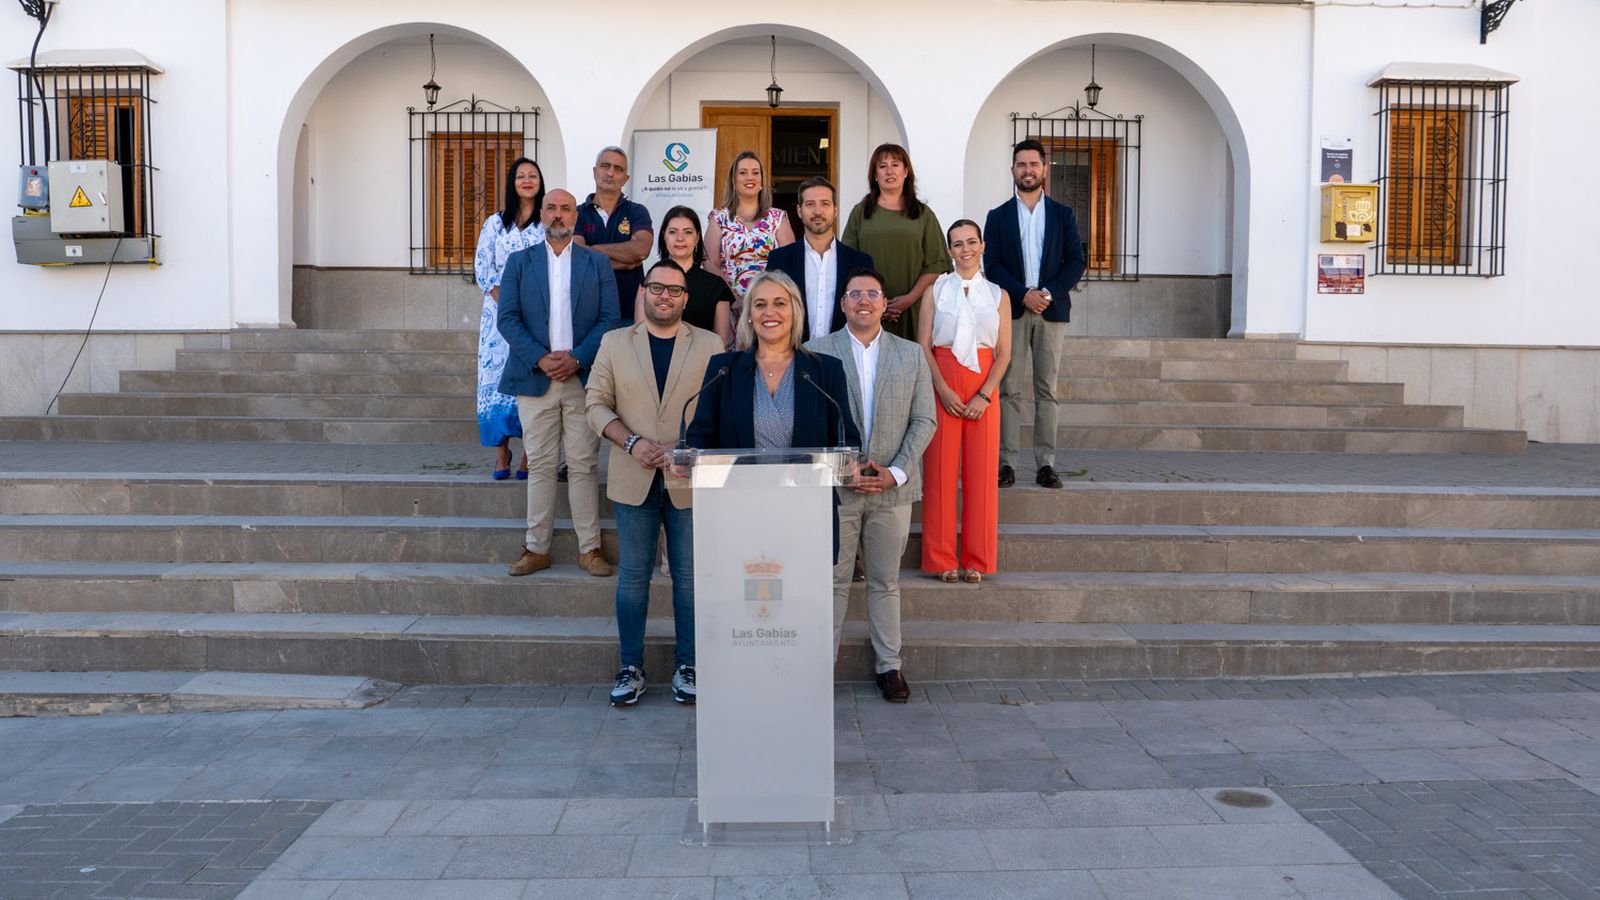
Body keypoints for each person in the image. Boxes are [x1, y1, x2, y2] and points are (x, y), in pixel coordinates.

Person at [588, 261, 721, 707]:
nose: (665, 296)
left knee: (689, 578)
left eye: (675, 290)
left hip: (688, 477)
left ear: (686, 298)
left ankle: (689, 665)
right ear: (643, 291)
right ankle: (631, 667)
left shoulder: (710, 344)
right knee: (632, 578)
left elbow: (717, 409)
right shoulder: (614, 342)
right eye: (657, 287)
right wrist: (631, 442)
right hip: (634, 475)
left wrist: (686, 447)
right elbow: (595, 404)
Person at [805, 268, 936, 703]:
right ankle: (819, 670)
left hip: (893, 490)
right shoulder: (816, 352)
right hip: (837, 489)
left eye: (873, 294)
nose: (864, 300)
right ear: (843, 303)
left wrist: (895, 471)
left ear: (885, 303)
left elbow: (924, 420)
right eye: (855, 293)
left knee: (885, 581)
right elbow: (810, 422)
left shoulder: (911, 354)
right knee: (833, 582)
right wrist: (842, 470)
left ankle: (889, 666)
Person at [687, 271, 860, 558]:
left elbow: (847, 438)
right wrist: (689, 457)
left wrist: (851, 462)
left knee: (801, 587)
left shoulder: (825, 371)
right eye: (760, 304)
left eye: (780, 303)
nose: (770, 312)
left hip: (807, 514)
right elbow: (699, 437)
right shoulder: (723, 369)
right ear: (749, 316)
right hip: (737, 513)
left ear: (795, 311)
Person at [498, 189, 620, 578]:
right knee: (540, 465)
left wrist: (577, 357)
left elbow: (610, 318)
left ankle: (590, 549)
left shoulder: (596, 264)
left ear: (575, 217)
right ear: (542, 214)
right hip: (535, 377)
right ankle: (536, 549)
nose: (558, 215)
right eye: (551, 208)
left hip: (582, 377)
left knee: (583, 464)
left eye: (566, 208)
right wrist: (539, 356)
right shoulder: (519, 263)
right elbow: (507, 318)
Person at [985, 139, 1088, 490]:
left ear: (1044, 168)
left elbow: (1076, 261)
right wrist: (1022, 294)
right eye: (1021, 164)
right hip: (1012, 310)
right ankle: (1006, 463)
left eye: (1033, 164)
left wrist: (1048, 293)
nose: (1027, 170)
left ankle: (1046, 463)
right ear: (1012, 170)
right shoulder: (998, 216)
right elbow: (992, 265)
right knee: (1009, 389)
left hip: (1051, 310)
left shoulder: (1063, 215)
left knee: (1047, 390)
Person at [917, 220, 1011, 584]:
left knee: (982, 475)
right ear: (949, 250)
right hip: (942, 380)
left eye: (972, 242)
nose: (965, 249)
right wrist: (941, 388)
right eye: (957, 244)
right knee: (939, 472)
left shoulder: (999, 295)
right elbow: (923, 345)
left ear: (982, 246)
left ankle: (978, 559)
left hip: (984, 385)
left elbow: (1004, 352)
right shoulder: (935, 291)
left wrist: (985, 394)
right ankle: (941, 559)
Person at [473, 157, 545, 480]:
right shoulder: (495, 223)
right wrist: (503, 300)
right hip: (498, 315)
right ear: (512, 183)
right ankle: (502, 453)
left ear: (540, 183)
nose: (527, 180)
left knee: (530, 378)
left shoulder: (545, 223)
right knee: (495, 377)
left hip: (536, 314)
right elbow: (482, 264)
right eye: (521, 176)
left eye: (533, 175)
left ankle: (530, 454)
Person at [842, 143, 951, 342]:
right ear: (875, 175)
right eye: (882, 166)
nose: (889, 171)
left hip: (912, 309)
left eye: (895, 165)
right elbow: (847, 260)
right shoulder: (860, 212)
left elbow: (936, 264)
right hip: (867, 308)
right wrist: (875, 302)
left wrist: (909, 299)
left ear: (906, 171)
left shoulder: (923, 214)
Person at [766, 176, 876, 342]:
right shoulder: (779, 260)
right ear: (799, 211)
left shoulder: (860, 262)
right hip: (793, 352)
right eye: (810, 204)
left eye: (825, 204)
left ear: (835, 210)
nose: (818, 211)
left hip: (843, 353)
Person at [633, 206, 734, 348]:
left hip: (702, 359)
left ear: (697, 237)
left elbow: (721, 341)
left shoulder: (716, 286)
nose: (680, 238)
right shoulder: (649, 282)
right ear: (664, 236)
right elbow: (640, 334)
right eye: (673, 232)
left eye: (688, 232)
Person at [575, 146, 653, 324]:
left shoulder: (637, 211)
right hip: (588, 312)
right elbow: (578, 257)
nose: (610, 173)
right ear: (594, 171)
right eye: (605, 166)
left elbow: (641, 250)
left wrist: (593, 248)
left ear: (626, 178)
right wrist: (627, 262)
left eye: (618, 169)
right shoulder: (577, 213)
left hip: (629, 311)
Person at [705, 151, 794, 301]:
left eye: (755, 172)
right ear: (733, 180)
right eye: (743, 172)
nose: (750, 177)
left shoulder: (778, 218)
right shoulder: (719, 218)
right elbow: (710, 264)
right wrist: (732, 298)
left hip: (770, 302)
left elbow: (790, 262)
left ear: (762, 180)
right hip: (729, 304)